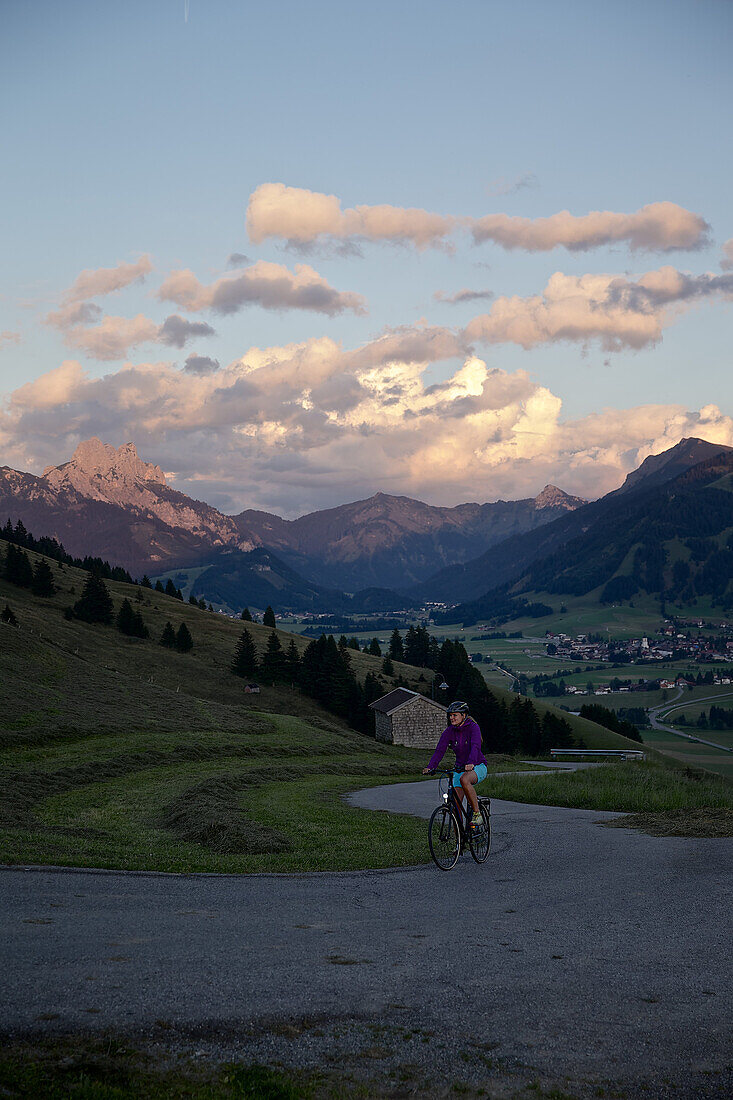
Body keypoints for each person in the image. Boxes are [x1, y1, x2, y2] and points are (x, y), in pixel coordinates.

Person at [422, 701, 488, 829]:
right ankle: (460, 841)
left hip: (477, 766)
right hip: (459, 768)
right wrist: (431, 766)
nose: (451, 718)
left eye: (455, 715)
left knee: (465, 779)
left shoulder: (473, 727)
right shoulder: (449, 731)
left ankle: (477, 814)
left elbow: (475, 746)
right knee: (455, 805)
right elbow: (440, 750)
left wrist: (471, 762)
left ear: (464, 715)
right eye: (450, 715)